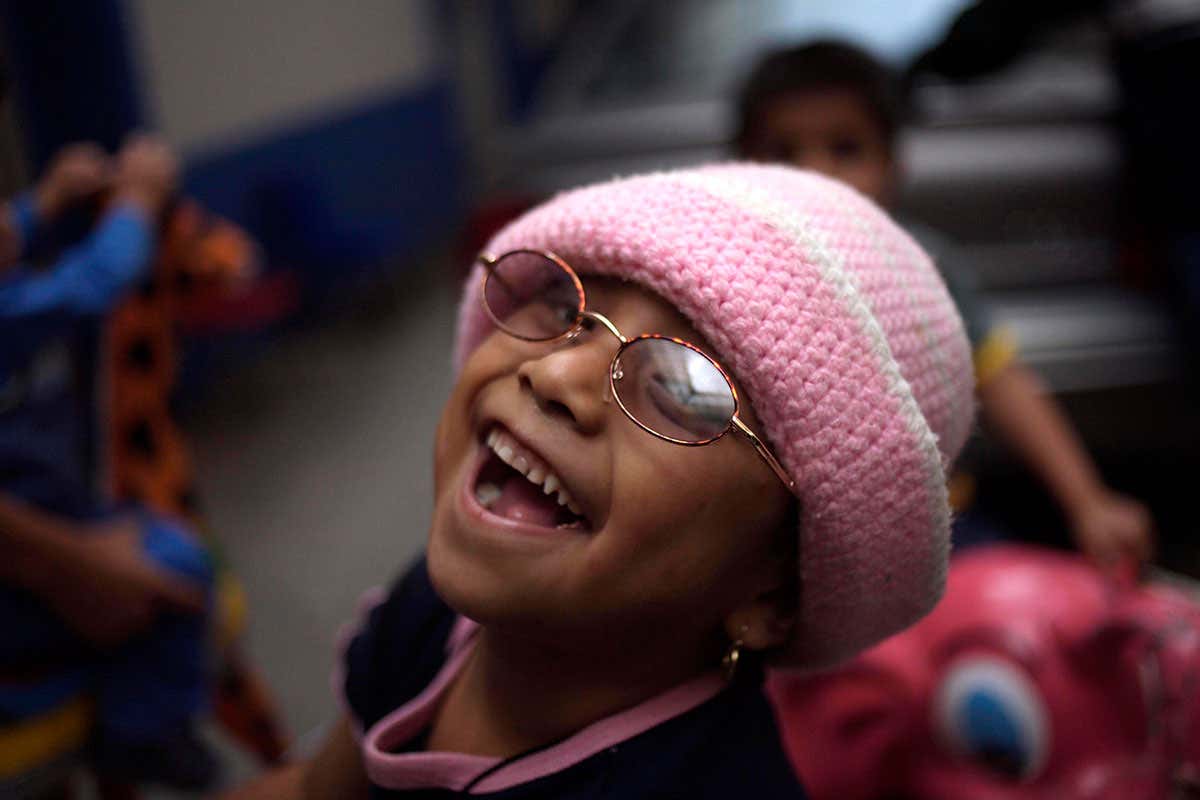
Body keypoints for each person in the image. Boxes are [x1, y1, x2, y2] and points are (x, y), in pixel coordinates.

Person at [226, 163, 976, 798]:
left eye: (685, 389)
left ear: (771, 595)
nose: (556, 373)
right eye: (562, 307)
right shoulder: (434, 613)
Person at [734, 41, 1155, 569]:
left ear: (893, 164)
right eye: (783, 153)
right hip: (795, 545)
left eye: (845, 148)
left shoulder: (925, 265)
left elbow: (1001, 381)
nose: (816, 172)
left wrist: (1090, 503)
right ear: (740, 166)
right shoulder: (734, 277)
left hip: (941, 531)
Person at [0, 136, 218, 789]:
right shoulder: (17, 308)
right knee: (179, 567)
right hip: (32, 551)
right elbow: (97, 280)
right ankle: (139, 730)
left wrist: (42, 203)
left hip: (54, 506)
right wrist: (138, 198)